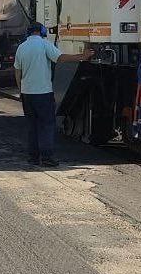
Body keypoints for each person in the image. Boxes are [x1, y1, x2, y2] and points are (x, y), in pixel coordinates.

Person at [14, 23, 93, 167]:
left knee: (32, 126)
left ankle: (33, 157)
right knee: (46, 125)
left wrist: (21, 90)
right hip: (43, 93)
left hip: (27, 94)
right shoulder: (45, 44)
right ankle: (47, 158)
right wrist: (83, 56)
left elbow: (17, 71)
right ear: (42, 32)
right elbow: (61, 58)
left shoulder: (21, 47)